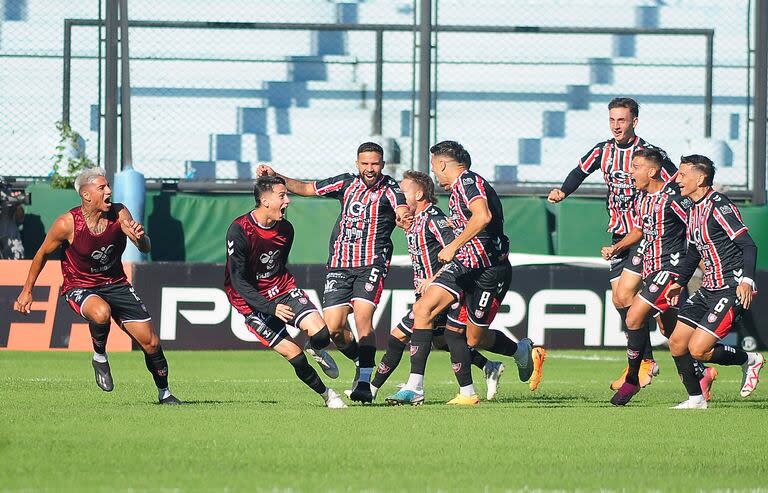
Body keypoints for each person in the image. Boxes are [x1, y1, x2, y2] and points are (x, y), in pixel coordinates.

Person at [388, 141, 545, 406]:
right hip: (465, 266)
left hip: (489, 271)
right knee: (424, 310)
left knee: (475, 337)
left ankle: (521, 351)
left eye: (435, 167)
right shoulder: (458, 189)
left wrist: (453, 245)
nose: (435, 174)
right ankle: (417, 387)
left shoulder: (468, 181)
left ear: (441, 163)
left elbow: (482, 217)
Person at [257, 142, 412, 404]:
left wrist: (403, 216)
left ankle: (364, 381)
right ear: (357, 164)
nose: (370, 169)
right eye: (365, 163)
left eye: (375, 164)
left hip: (371, 264)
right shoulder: (346, 183)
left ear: (383, 164)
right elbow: (307, 188)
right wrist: (275, 177)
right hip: (340, 264)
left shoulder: (391, 189)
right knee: (334, 328)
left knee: (363, 318)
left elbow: (401, 209)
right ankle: (338, 354)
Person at [13, 168, 180, 404]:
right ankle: (100, 356)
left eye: (109, 185)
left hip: (116, 284)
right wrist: (27, 290)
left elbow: (145, 248)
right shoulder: (66, 224)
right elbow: (41, 254)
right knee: (101, 313)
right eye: (102, 188)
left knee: (151, 342)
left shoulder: (120, 213)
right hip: (79, 286)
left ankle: (165, 394)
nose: (109, 191)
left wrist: (140, 238)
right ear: (86, 195)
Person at [548, 97, 678, 389]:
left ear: (634, 121)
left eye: (622, 120)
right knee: (621, 299)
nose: (616, 125)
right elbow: (580, 171)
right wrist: (564, 191)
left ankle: (647, 361)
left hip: (648, 234)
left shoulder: (650, 157)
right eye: (612, 120)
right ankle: (670, 362)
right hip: (620, 233)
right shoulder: (603, 150)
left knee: (628, 297)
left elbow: (675, 186)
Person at [367, 171, 505, 403]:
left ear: (419, 193)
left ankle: (375, 389)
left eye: (404, 192)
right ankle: (486, 368)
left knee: (397, 337)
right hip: (432, 292)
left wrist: (434, 279)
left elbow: (458, 250)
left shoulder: (434, 219)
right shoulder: (415, 220)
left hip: (446, 290)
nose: (399, 197)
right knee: (445, 340)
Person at [602, 149, 716, 405]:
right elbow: (641, 230)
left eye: (636, 167)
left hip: (670, 269)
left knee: (633, 316)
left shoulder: (674, 198)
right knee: (670, 331)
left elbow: (697, 228)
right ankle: (701, 373)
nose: (631, 172)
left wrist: (707, 265)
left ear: (652, 171)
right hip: (650, 267)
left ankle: (633, 378)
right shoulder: (642, 198)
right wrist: (617, 248)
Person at [225, 176, 345, 408]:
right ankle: (328, 395)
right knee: (295, 355)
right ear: (265, 200)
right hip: (250, 302)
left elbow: (279, 264)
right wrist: (269, 307)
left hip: (282, 289)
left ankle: (315, 348)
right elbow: (238, 281)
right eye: (282, 196)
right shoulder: (239, 230)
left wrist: (278, 296)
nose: (288, 201)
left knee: (321, 334)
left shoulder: (286, 229)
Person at [664, 155, 763, 409]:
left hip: (730, 288)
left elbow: (749, 246)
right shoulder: (693, 208)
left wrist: (747, 281)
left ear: (701, 178)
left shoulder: (719, 207)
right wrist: (679, 281)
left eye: (683, 175)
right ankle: (696, 399)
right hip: (708, 288)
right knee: (676, 342)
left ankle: (749, 360)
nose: (678, 179)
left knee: (698, 350)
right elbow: (695, 251)